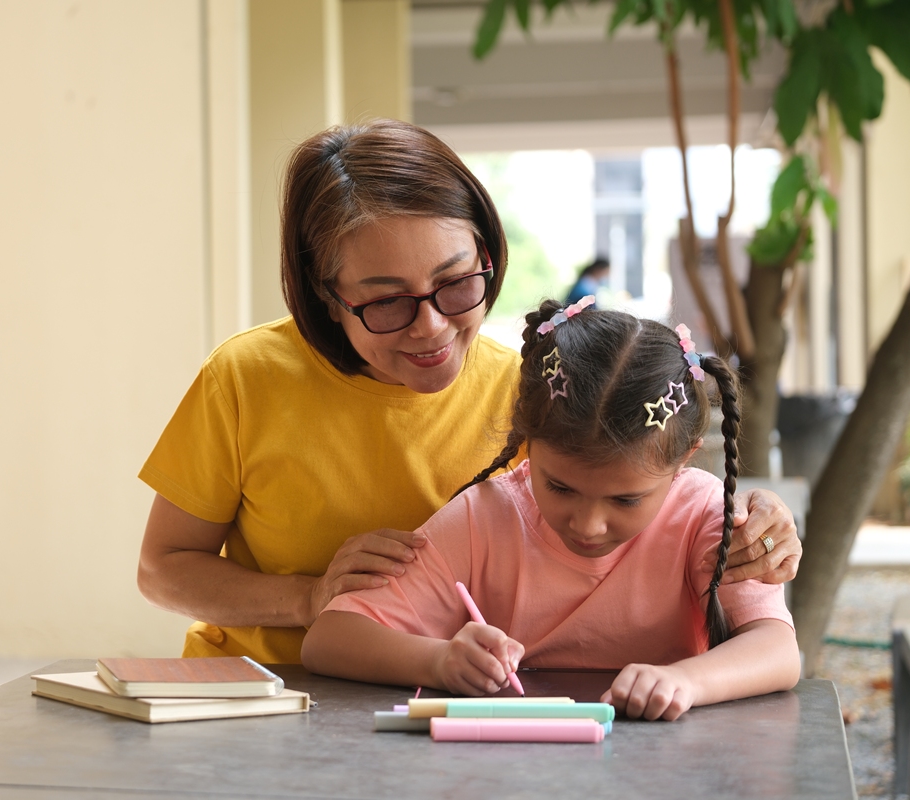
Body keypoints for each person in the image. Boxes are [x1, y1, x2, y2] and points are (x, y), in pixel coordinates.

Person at [136, 119, 802, 665]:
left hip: (437, 707)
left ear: (488, 255)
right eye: (385, 302)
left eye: (456, 284)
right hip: (255, 694)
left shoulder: (534, 390)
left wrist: (753, 536)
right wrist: (307, 600)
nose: (431, 328)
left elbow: (624, 510)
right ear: (327, 294)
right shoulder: (248, 377)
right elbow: (163, 568)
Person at [300, 300, 801, 720]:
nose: (588, 525)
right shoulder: (484, 519)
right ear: (528, 444)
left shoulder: (703, 516)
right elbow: (329, 639)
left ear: (684, 460)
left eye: (625, 500)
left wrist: (685, 681)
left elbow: (777, 652)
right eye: (559, 487)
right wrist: (438, 661)